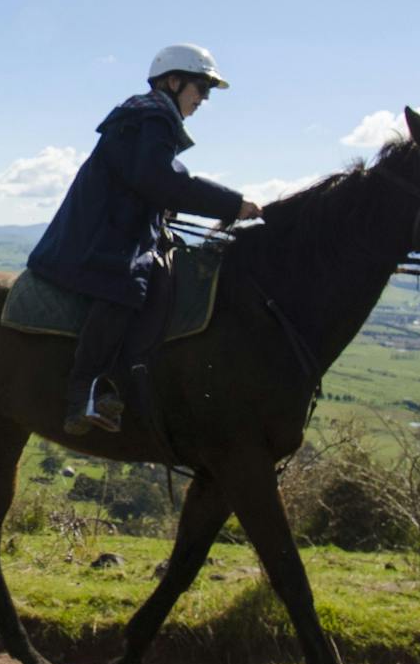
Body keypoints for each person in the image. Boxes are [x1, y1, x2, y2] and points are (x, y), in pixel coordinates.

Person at [27, 43, 262, 436]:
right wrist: (232, 204)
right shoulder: (152, 117)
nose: (203, 99)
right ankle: (83, 393)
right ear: (174, 81)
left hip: (115, 229)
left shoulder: (147, 118)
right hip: (102, 238)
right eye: (201, 88)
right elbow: (160, 179)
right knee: (126, 285)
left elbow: (149, 180)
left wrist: (164, 209)